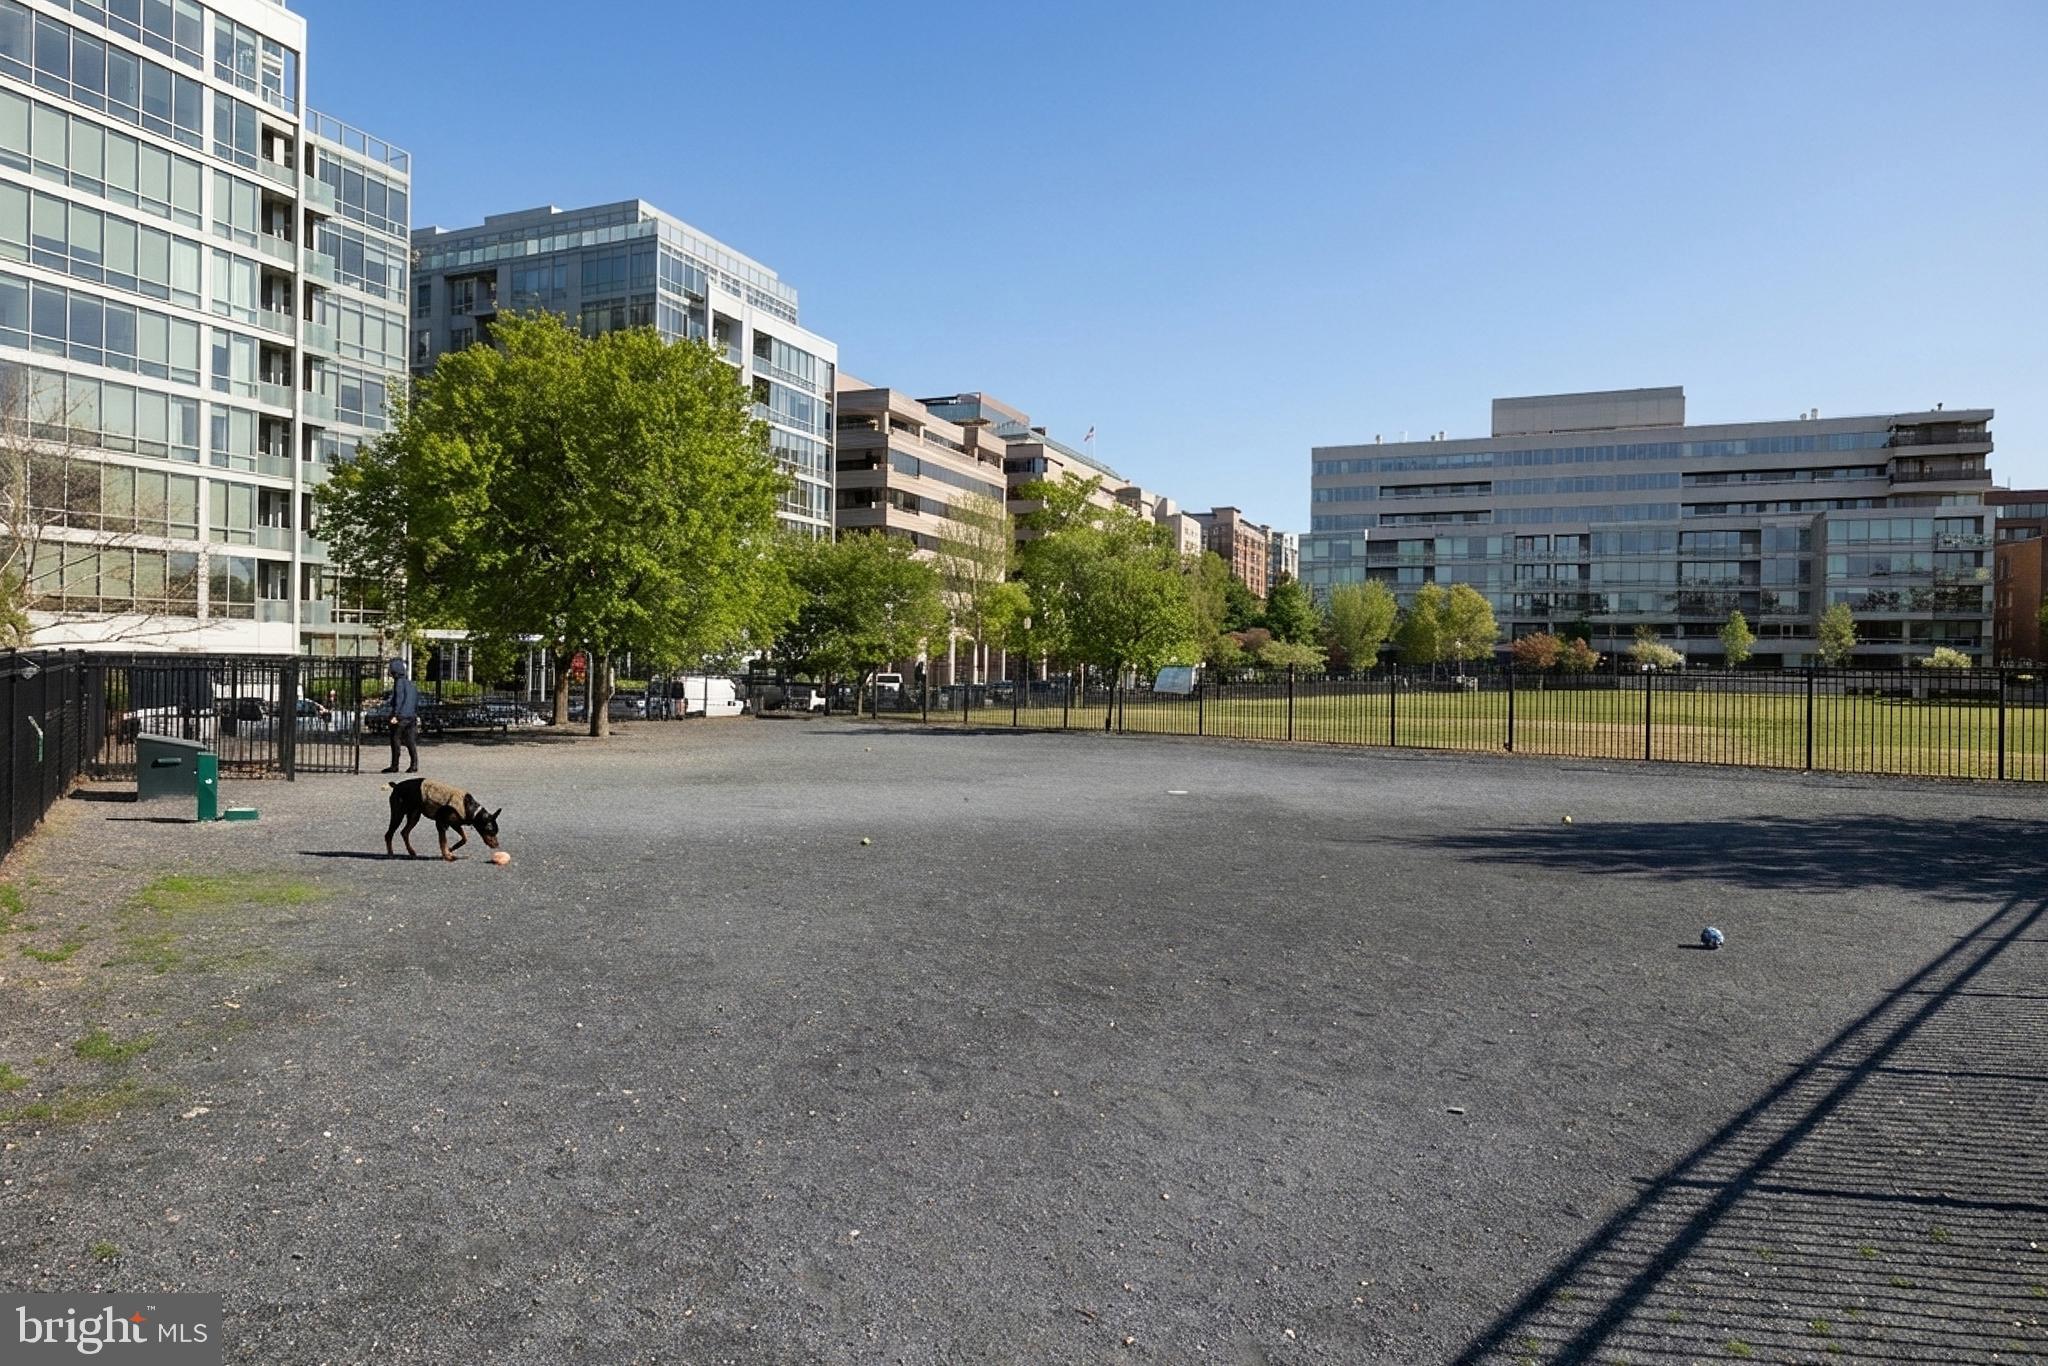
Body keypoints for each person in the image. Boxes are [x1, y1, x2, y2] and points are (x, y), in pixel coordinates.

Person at [382, 656, 420, 774]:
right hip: (411, 716)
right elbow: (415, 700)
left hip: (401, 716)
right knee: (410, 741)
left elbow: (399, 700)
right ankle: (414, 765)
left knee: (395, 740)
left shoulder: (399, 683)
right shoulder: (411, 684)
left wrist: (395, 715)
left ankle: (395, 765)